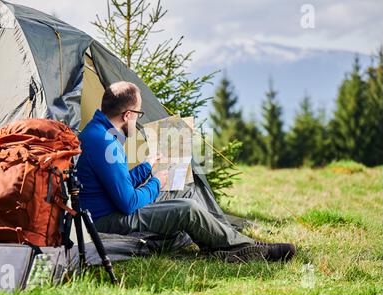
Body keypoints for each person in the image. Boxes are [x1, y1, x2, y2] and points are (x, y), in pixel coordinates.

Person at [77, 81, 295, 262]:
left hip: (109, 207)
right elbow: (128, 203)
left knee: (186, 190)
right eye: (138, 114)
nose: (138, 119)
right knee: (187, 208)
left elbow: (116, 183)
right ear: (127, 115)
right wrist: (155, 183)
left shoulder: (98, 131)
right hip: (105, 219)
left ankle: (222, 242)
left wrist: (146, 167)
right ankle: (247, 250)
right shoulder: (106, 143)